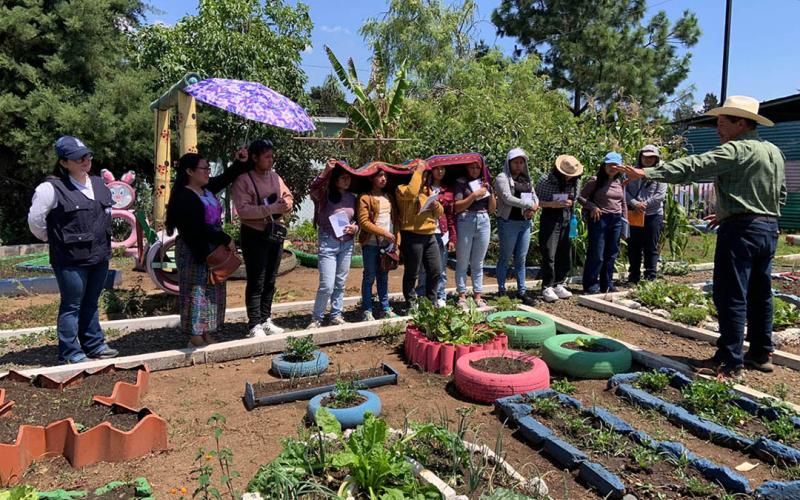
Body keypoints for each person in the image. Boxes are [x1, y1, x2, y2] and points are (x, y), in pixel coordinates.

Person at [623, 95, 786, 378]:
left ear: (741, 123)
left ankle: (728, 361)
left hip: (742, 232)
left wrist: (646, 171)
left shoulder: (737, 150)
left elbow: (695, 166)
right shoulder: (773, 152)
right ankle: (761, 353)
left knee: (730, 293)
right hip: (768, 228)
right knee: (761, 293)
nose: (718, 129)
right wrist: (731, 213)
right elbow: (779, 195)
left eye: (722, 123)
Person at [27, 135, 119, 363]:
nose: (85, 160)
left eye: (87, 155)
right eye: (78, 158)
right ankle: (70, 352)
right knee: (72, 304)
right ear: (63, 162)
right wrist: (54, 239)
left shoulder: (99, 183)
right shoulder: (50, 188)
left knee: (91, 302)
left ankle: (94, 344)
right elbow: (35, 221)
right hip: (69, 259)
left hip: (99, 255)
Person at [166, 152, 248, 346]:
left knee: (214, 290)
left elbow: (226, 177)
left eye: (208, 169)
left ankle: (207, 330)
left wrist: (239, 162)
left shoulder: (206, 189)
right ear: (189, 171)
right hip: (196, 250)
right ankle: (194, 334)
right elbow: (195, 228)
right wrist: (225, 238)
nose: (207, 173)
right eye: (204, 169)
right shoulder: (184, 196)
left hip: (214, 248)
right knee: (196, 292)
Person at [231, 139, 293, 337]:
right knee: (257, 278)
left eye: (271, 156)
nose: (271, 160)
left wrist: (286, 204)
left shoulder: (275, 177)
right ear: (255, 157)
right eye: (267, 157)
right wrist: (272, 208)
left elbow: (289, 196)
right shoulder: (244, 180)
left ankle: (266, 319)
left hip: (275, 232)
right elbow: (243, 210)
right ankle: (254, 324)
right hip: (254, 233)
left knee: (270, 278)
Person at [307, 159, 358, 328]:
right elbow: (313, 188)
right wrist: (325, 171)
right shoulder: (325, 196)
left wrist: (355, 228)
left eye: (348, 178)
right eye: (343, 178)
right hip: (328, 242)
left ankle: (336, 314)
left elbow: (357, 219)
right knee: (326, 285)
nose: (346, 180)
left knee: (340, 283)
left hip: (347, 244)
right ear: (335, 179)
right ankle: (317, 318)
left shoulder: (352, 197)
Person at [396, 160, 444, 310]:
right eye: (421, 174)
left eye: (425, 175)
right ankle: (410, 303)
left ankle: (431, 302)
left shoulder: (427, 190)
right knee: (412, 272)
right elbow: (411, 193)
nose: (424, 177)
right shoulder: (402, 189)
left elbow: (440, 213)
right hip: (412, 235)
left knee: (436, 270)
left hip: (429, 235)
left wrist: (436, 206)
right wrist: (419, 170)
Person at [536, 155, 584, 302]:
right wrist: (552, 204)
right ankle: (547, 286)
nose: (569, 178)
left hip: (567, 218)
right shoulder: (545, 180)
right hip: (550, 218)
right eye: (566, 175)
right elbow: (535, 201)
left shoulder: (576, 182)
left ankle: (559, 283)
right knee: (549, 253)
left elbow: (575, 198)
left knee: (564, 253)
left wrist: (570, 202)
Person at [494, 148, 539, 306]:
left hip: (524, 223)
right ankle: (501, 290)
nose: (519, 165)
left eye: (521, 162)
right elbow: (507, 198)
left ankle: (522, 292)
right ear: (509, 163)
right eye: (516, 162)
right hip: (508, 223)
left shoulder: (526, 178)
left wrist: (534, 207)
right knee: (505, 258)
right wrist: (528, 204)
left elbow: (534, 195)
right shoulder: (502, 178)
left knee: (521, 258)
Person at [579, 152, 628, 294]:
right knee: (597, 253)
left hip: (616, 219)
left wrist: (626, 223)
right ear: (604, 165)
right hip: (599, 219)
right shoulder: (595, 181)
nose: (612, 167)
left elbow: (623, 202)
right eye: (610, 164)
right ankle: (591, 285)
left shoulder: (620, 182)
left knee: (612, 253)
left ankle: (607, 284)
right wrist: (592, 207)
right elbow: (580, 197)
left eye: (616, 165)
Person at [358, 170, 401, 320]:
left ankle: (385, 308)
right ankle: (367, 310)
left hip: (387, 245)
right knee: (369, 276)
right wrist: (384, 233)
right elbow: (364, 222)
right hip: (370, 244)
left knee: (383, 276)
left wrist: (397, 242)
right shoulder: (365, 198)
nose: (383, 179)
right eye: (379, 176)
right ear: (371, 178)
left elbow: (396, 222)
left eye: (385, 176)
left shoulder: (389, 197)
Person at [454, 160, 497, 309]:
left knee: (478, 262)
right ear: (466, 167)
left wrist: (489, 192)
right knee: (463, 260)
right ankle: (462, 296)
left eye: (477, 167)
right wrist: (474, 195)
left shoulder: (484, 183)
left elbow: (492, 209)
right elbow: (457, 207)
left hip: (484, 219)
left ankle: (478, 295)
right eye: (471, 167)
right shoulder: (461, 182)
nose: (474, 170)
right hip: (466, 219)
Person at [416, 164, 456, 307]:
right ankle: (421, 296)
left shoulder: (448, 190)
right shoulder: (423, 188)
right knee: (423, 268)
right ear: (431, 171)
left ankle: (440, 296)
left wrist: (452, 237)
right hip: (425, 231)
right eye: (437, 169)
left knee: (440, 268)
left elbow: (450, 215)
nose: (440, 171)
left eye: (443, 169)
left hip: (441, 233)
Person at [626, 145, 667, 283]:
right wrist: (634, 203)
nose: (648, 159)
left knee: (651, 247)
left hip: (653, 215)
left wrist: (644, 205)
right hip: (634, 214)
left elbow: (660, 195)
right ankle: (633, 276)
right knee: (633, 246)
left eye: (651, 157)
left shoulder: (661, 173)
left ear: (656, 158)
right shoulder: (631, 172)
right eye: (645, 156)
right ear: (640, 157)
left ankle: (650, 277)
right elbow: (623, 190)